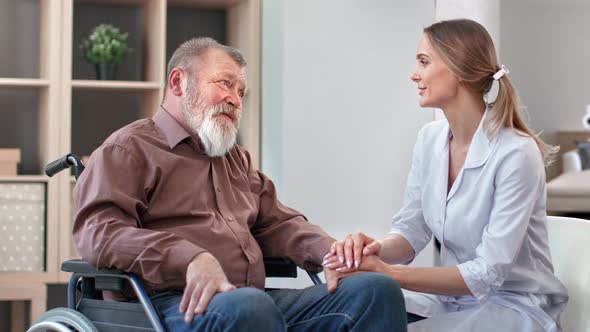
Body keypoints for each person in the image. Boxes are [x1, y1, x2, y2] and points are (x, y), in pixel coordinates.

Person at [72, 37, 407, 331]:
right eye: (224, 83)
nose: (234, 98)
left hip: (248, 304)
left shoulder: (236, 160)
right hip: (164, 306)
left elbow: (281, 225)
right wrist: (189, 258)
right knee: (250, 307)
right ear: (178, 83)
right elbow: (99, 233)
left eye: (240, 91)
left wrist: (333, 253)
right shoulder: (128, 150)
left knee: (375, 290)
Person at [323, 19, 568, 332]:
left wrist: (389, 273)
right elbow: (410, 233)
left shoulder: (516, 154)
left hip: (516, 307)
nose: (414, 74)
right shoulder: (430, 140)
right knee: (359, 311)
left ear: (458, 69)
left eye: (424, 62)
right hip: (452, 301)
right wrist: (371, 250)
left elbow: (488, 273)